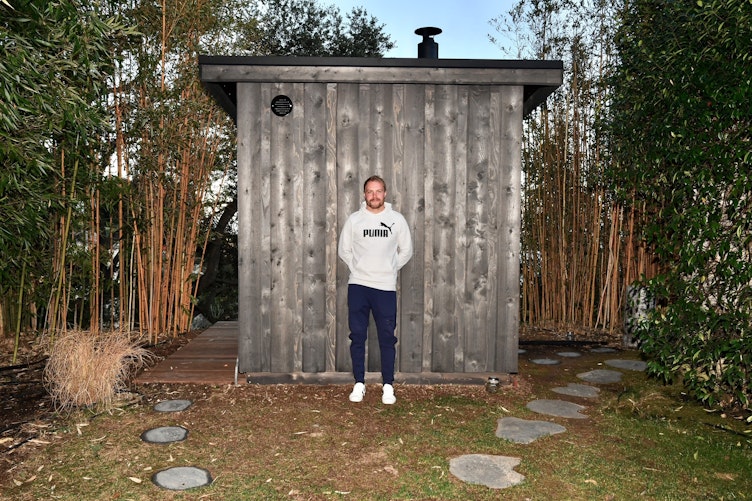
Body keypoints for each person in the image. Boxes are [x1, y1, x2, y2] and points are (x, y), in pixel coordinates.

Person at [338, 175, 413, 404]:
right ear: (364, 194)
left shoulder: (396, 220)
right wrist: (359, 269)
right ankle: (359, 383)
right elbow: (344, 251)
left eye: (378, 191)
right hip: (359, 286)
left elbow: (406, 251)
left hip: (385, 288)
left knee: (387, 338)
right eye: (370, 191)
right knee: (358, 336)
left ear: (385, 193)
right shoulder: (354, 220)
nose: (374, 196)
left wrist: (389, 269)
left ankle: (388, 385)